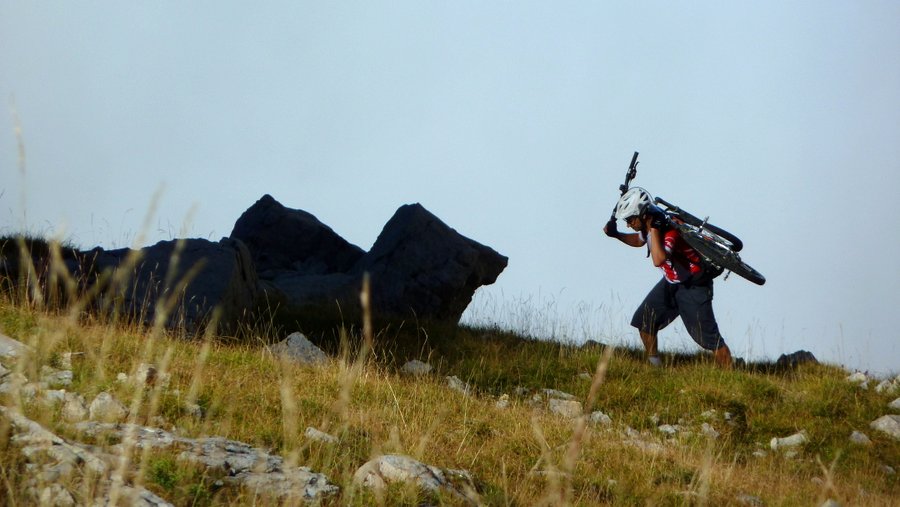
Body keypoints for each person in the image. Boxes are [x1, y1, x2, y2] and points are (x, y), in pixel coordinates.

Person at [603, 187, 733, 368]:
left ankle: (729, 378)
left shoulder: (668, 229)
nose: (628, 224)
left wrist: (655, 228)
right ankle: (656, 369)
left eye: (630, 219)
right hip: (672, 282)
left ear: (642, 214)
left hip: (693, 285)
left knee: (709, 339)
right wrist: (616, 235)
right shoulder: (648, 225)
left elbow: (659, 259)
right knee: (644, 322)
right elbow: (640, 241)